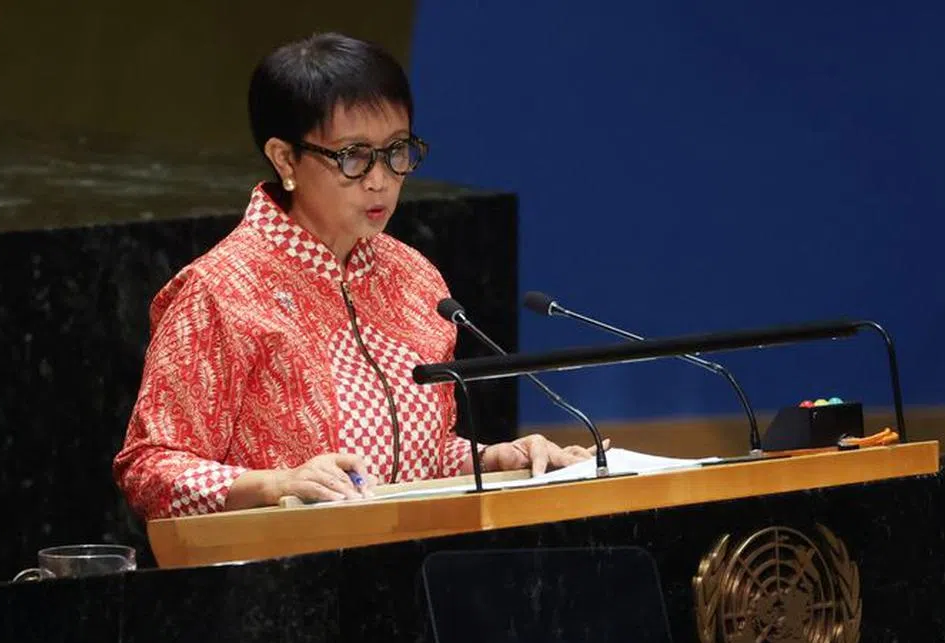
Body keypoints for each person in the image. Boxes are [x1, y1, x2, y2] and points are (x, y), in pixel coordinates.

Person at [114, 33, 596, 521]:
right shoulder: (219, 290)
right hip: (275, 579)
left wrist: (495, 460)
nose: (380, 178)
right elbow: (149, 468)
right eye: (353, 156)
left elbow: (412, 463)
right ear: (285, 159)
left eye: (397, 151)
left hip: (403, 568)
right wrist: (274, 484)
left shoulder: (413, 278)